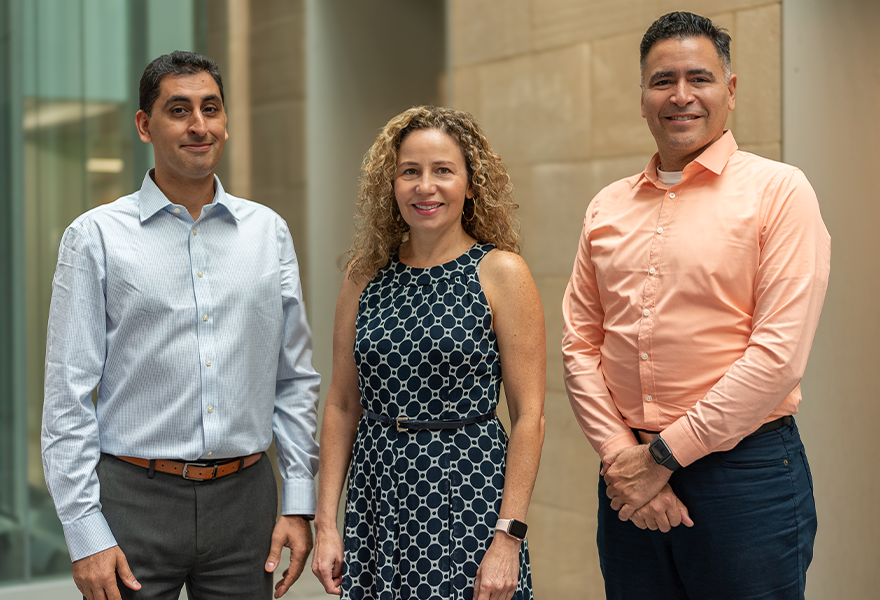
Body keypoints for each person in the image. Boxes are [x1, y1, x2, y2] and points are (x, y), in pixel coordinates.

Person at [562, 11, 830, 600]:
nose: (681, 96)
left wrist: (662, 456)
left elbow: (777, 356)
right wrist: (624, 459)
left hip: (745, 476)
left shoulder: (780, 191)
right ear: (642, 98)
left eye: (699, 78)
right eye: (662, 81)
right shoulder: (606, 207)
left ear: (729, 91)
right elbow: (579, 347)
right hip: (627, 473)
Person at [41, 50, 320, 600]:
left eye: (210, 108)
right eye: (179, 110)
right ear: (145, 125)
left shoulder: (269, 233)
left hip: (247, 502)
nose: (199, 126)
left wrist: (298, 501)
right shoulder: (94, 237)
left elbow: (294, 379)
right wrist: (84, 532)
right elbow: (67, 396)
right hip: (134, 500)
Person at [311, 106, 545, 599]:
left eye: (443, 171)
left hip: (465, 494)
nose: (425, 186)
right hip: (375, 492)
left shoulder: (501, 272)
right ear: (390, 186)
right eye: (409, 172)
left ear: (471, 183)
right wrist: (326, 523)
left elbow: (530, 416)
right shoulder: (364, 276)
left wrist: (509, 536)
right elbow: (340, 403)